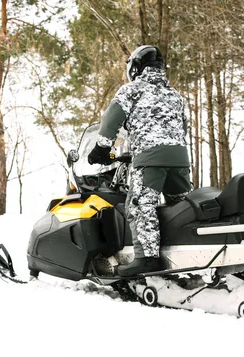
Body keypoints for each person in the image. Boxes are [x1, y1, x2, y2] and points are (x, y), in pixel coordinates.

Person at [87, 45, 191, 277]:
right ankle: (187, 251)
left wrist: (101, 149)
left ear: (135, 67)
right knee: (180, 207)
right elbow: (183, 127)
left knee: (141, 205)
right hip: (180, 159)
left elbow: (111, 121)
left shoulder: (132, 90)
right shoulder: (174, 94)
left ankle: (146, 259)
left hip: (150, 158)